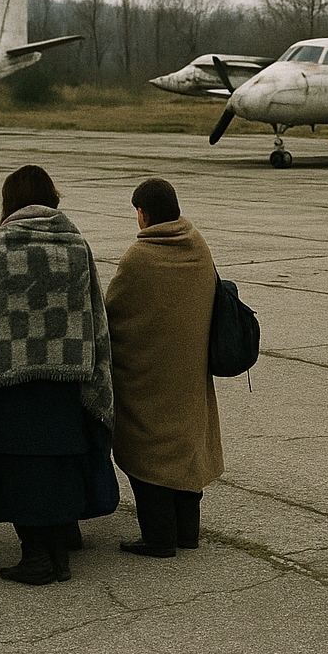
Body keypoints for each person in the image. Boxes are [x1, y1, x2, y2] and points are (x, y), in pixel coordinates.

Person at [0, 165, 116, 584]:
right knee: (57, 465)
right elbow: (94, 313)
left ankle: (36, 557)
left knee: (20, 470)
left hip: (8, 378)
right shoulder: (75, 245)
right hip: (63, 378)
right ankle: (58, 553)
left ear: (10, 199)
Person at [104, 177, 223, 557]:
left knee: (148, 450)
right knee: (186, 449)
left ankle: (158, 537)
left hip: (147, 374)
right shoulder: (198, 246)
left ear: (143, 213)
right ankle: (186, 533)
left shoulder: (140, 257)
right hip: (189, 370)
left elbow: (113, 313)